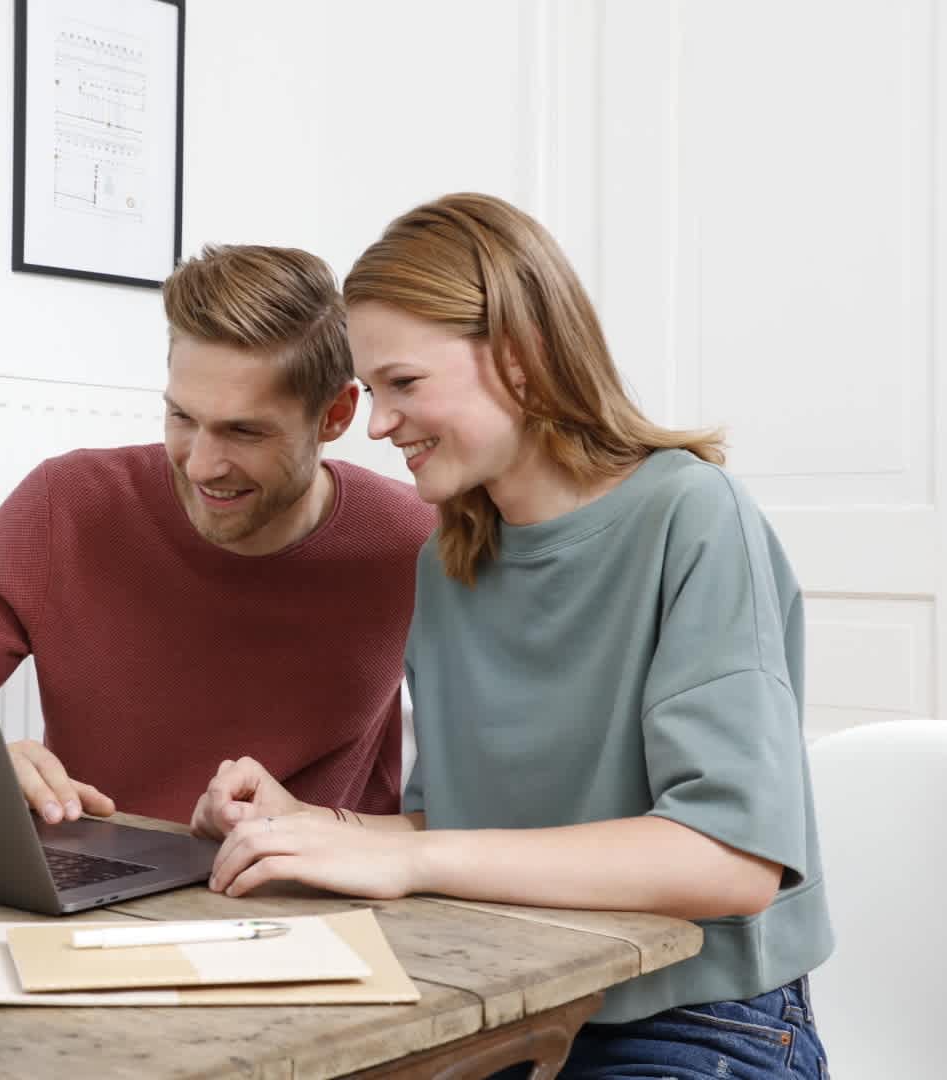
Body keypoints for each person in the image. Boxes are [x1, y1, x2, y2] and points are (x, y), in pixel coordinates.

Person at [190, 195, 834, 1079]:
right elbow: (460, 826)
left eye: (405, 384)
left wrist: (409, 857)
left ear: (523, 360)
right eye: (374, 391)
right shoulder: (451, 558)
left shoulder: (691, 515)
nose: (379, 425)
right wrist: (315, 827)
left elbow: (730, 857)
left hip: (687, 1022)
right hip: (496, 994)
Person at [0, 244, 434, 825]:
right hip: (101, 883)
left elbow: (469, 799)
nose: (199, 466)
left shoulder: (415, 543)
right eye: (182, 418)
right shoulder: (64, 503)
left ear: (336, 416)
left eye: (244, 432)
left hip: (312, 893)